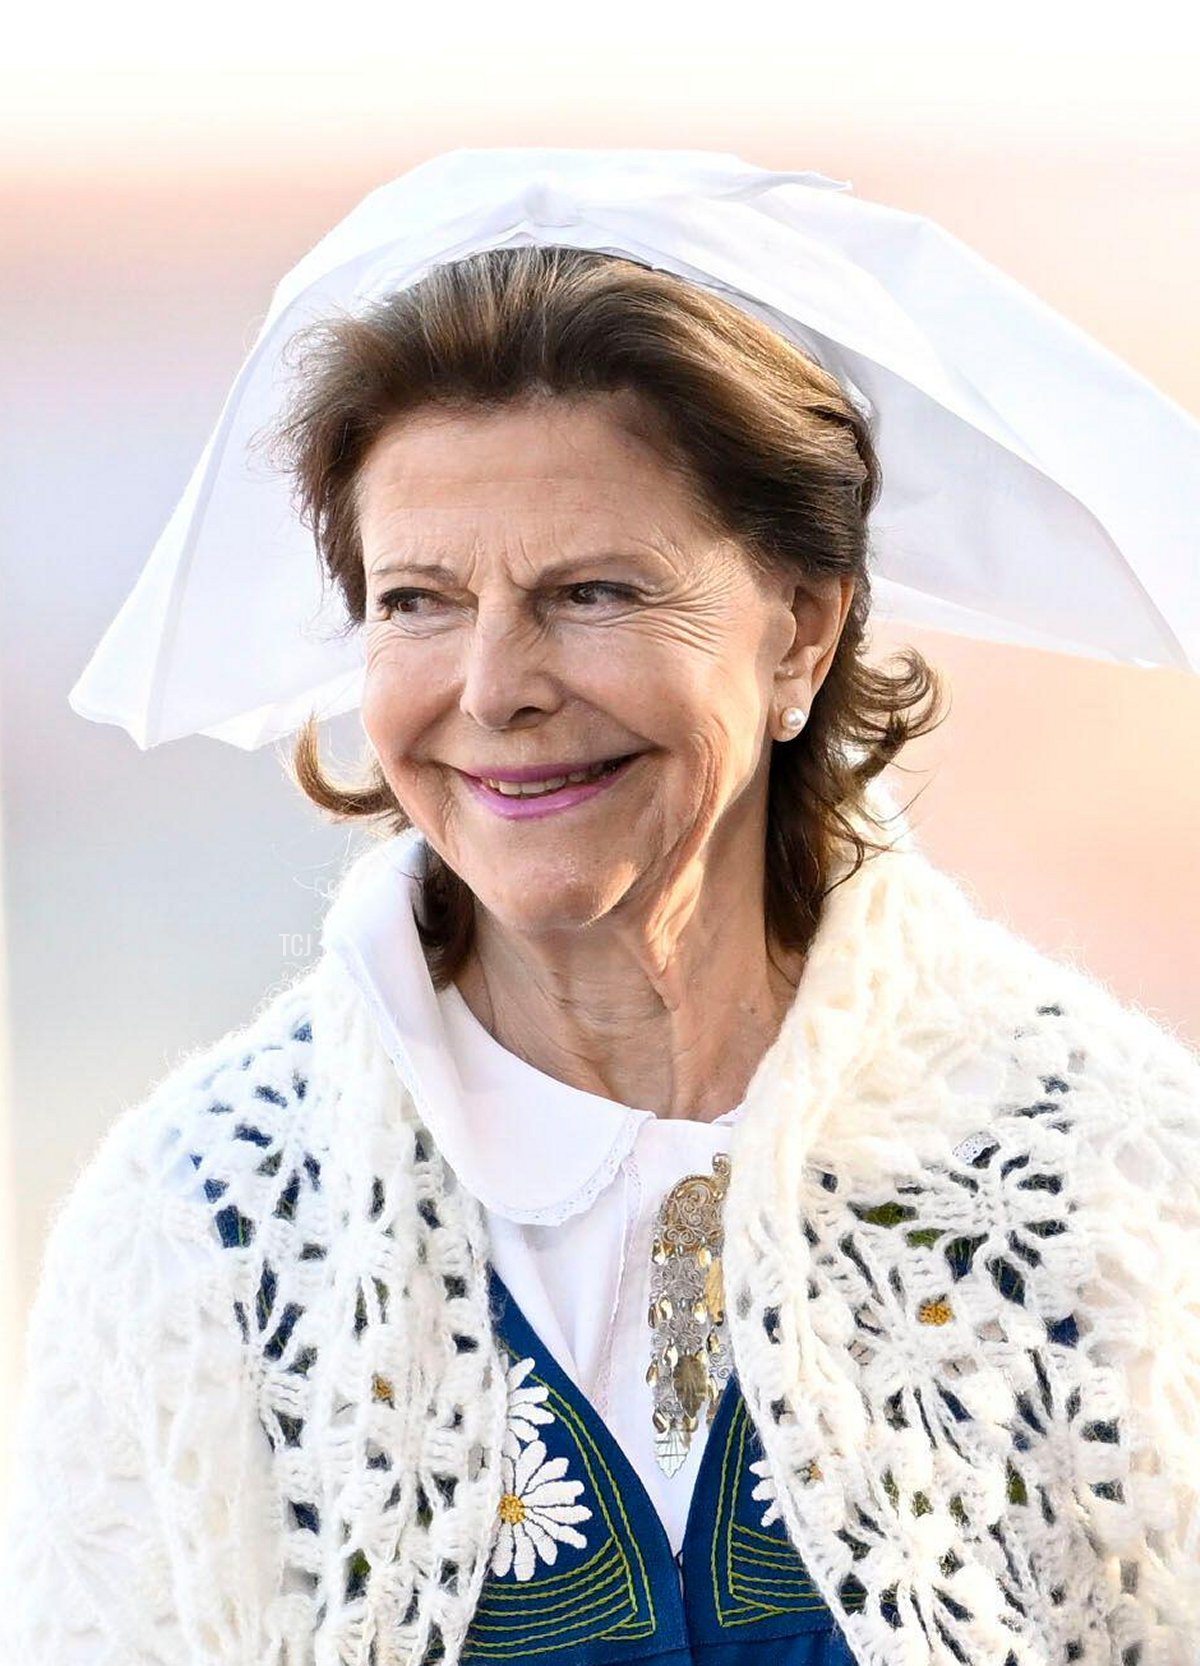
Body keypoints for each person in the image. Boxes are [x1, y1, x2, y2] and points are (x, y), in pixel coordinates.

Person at [4, 176, 1199, 1666]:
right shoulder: (203, 1233)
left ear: (804, 629)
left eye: (593, 590)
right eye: (419, 599)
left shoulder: (1117, 1185)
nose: (494, 684)